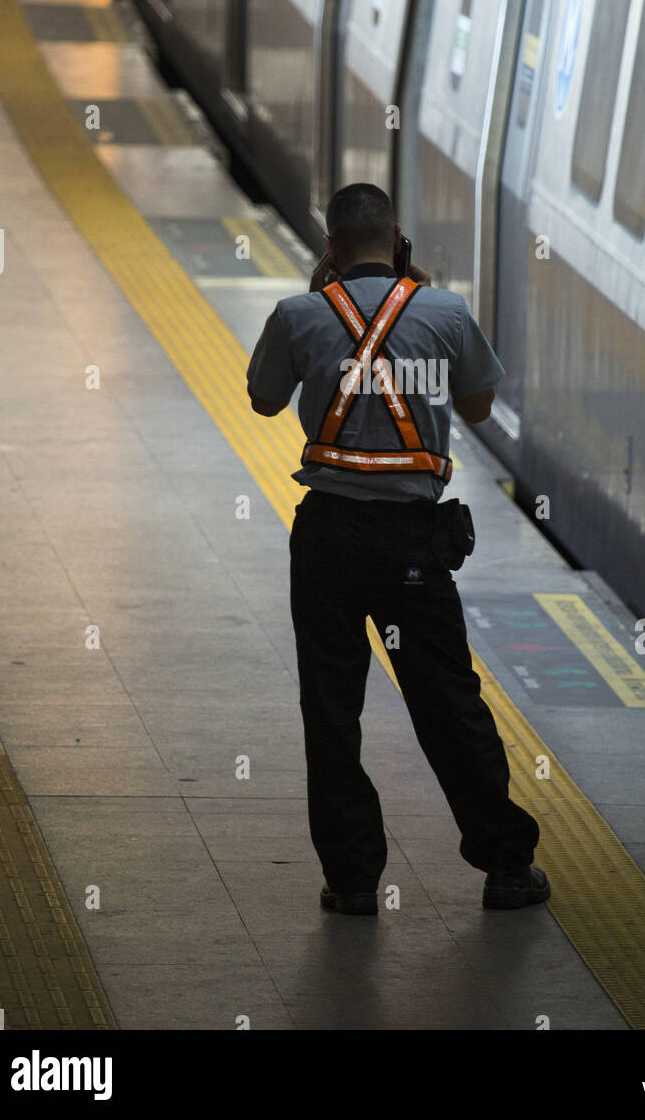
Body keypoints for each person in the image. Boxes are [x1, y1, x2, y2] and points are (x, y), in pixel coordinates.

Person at [245, 184, 548, 914]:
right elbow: (477, 407)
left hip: (328, 539)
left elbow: (262, 399)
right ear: (398, 238)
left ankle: (351, 880)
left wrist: (325, 318)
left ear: (330, 246)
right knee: (447, 699)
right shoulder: (444, 313)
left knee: (331, 703)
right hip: (412, 543)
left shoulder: (299, 314)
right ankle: (505, 866)